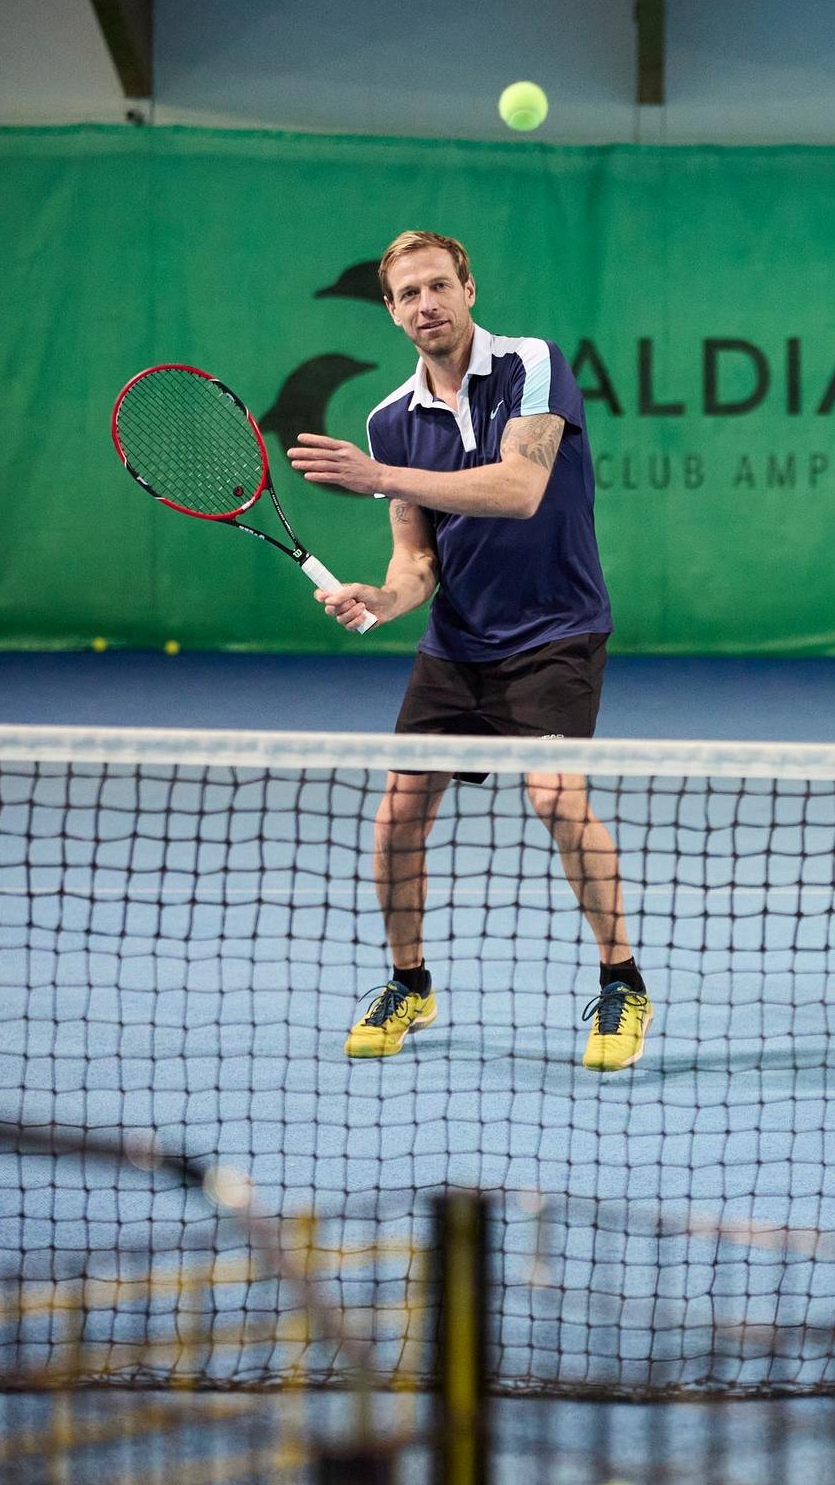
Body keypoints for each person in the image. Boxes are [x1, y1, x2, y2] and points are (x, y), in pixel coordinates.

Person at [287, 230, 651, 1073]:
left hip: (557, 629)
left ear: (469, 288)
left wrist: (381, 476)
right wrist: (382, 599)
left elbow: (519, 490)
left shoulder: (531, 363)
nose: (428, 305)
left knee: (556, 801)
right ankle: (408, 983)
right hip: (458, 642)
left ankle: (622, 981)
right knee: (398, 813)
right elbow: (416, 561)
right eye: (409, 294)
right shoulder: (390, 419)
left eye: (439, 286)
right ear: (390, 310)